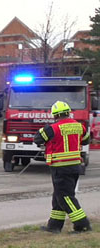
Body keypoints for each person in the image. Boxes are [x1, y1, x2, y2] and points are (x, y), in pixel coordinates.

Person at [34, 100, 92, 233]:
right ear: (68, 113)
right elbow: (86, 140)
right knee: (58, 197)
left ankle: (82, 225)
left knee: (65, 197)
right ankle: (54, 226)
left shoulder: (52, 128)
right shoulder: (79, 126)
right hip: (75, 166)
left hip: (60, 167)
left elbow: (37, 139)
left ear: (55, 115)